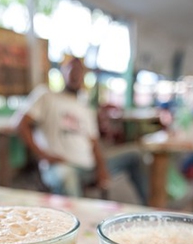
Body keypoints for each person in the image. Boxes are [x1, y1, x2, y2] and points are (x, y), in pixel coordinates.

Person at [16, 57, 147, 203]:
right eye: (72, 70)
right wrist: (42, 155)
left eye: (80, 71)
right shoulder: (46, 96)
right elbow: (21, 124)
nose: (76, 74)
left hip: (88, 167)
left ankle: (152, 211)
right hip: (60, 166)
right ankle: (76, 223)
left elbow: (94, 143)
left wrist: (101, 168)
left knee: (135, 155)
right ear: (62, 73)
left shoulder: (85, 108)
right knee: (66, 177)